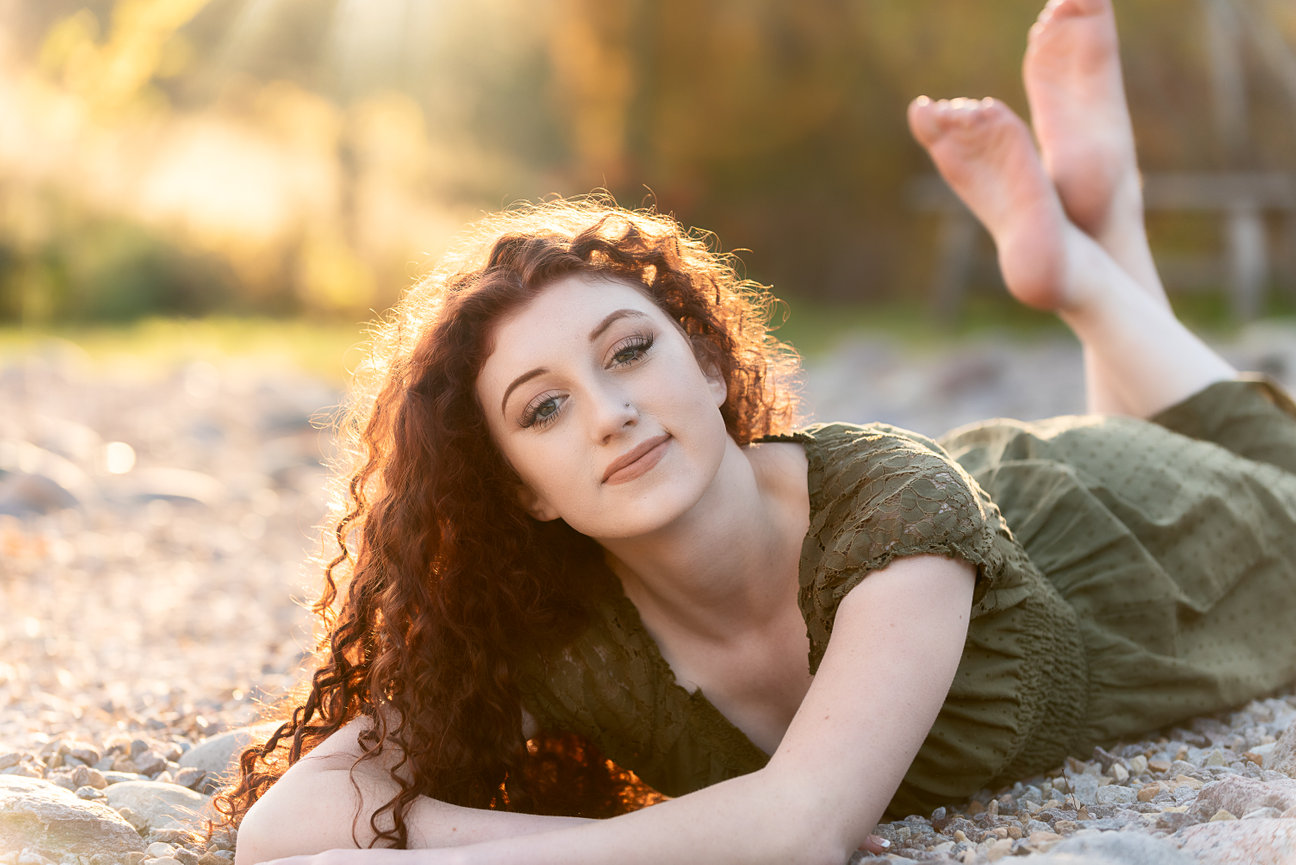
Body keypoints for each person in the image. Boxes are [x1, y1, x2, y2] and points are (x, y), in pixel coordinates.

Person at [221, 0, 1296, 862]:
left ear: (704, 361)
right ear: (523, 489)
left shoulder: (896, 509)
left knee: (1276, 474)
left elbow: (797, 830)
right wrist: (613, 840)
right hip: (1010, 524)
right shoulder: (559, 630)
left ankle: (1095, 254)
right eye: (542, 408)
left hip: (1127, 531)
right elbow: (284, 829)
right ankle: (1092, 246)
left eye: (629, 351)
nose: (612, 412)